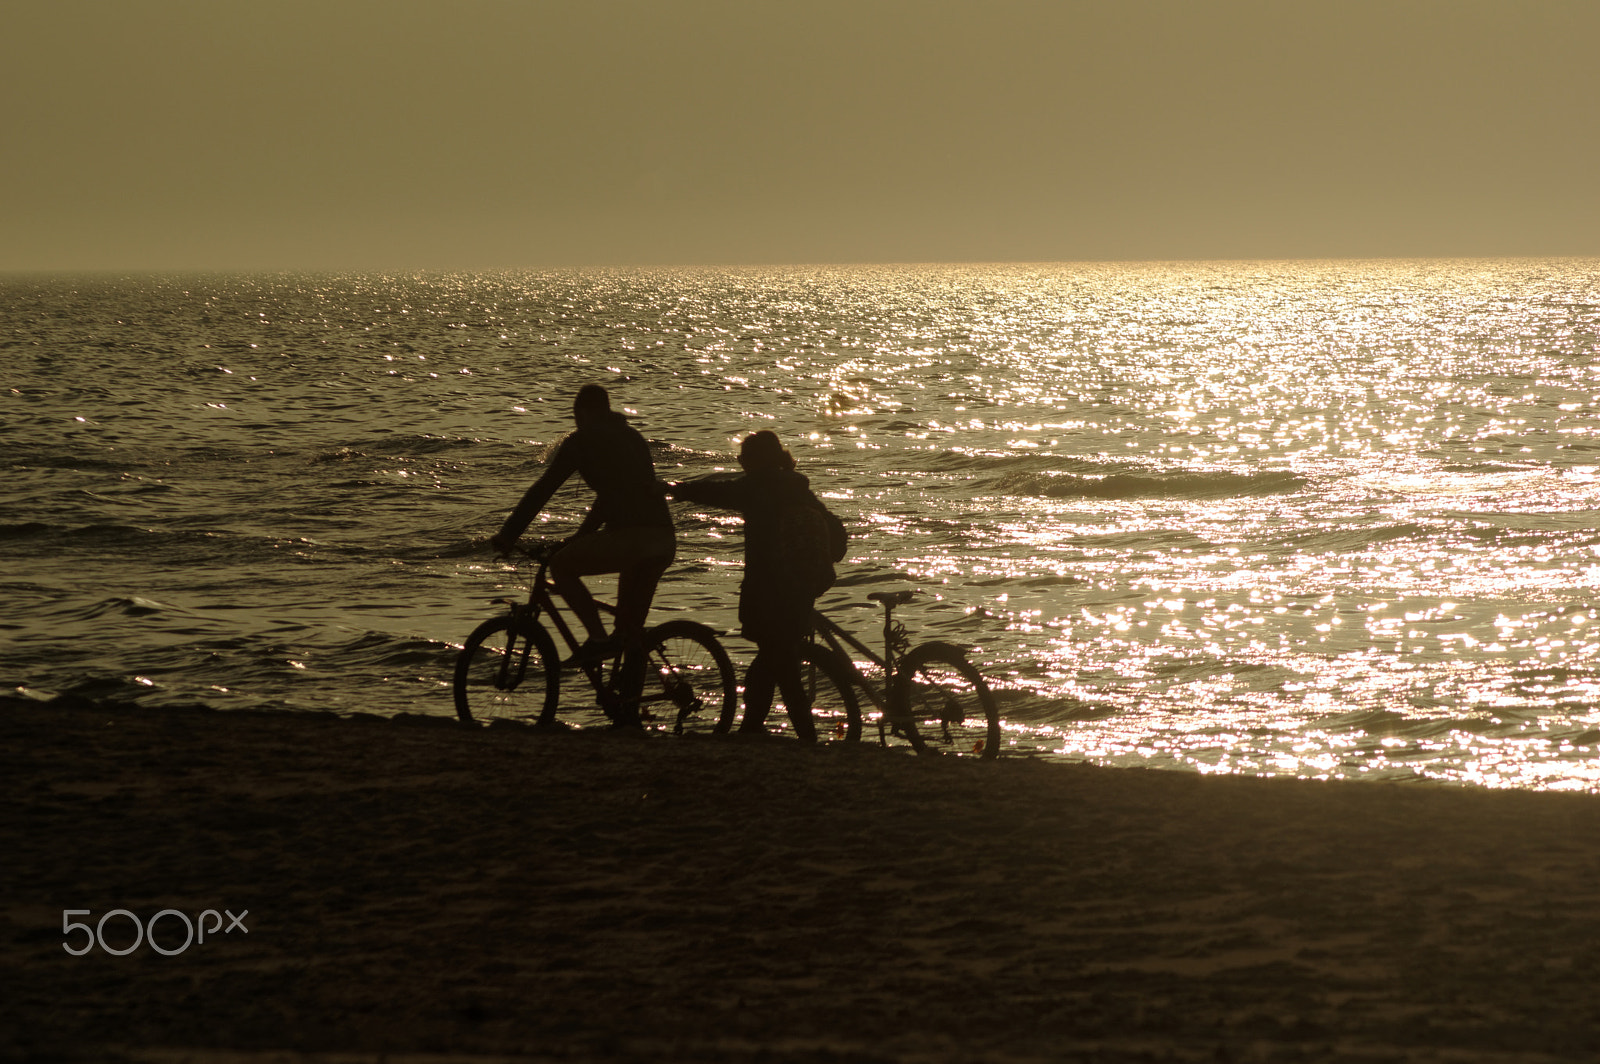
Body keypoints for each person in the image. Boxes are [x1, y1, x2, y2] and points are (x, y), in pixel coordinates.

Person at [490, 384, 675, 665]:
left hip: (632, 539)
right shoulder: (632, 436)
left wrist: (508, 534)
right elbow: (616, 494)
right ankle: (627, 705)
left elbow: (544, 489)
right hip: (662, 540)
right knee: (629, 636)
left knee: (561, 566)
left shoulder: (582, 440)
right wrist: (582, 534)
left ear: (584, 413)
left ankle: (597, 640)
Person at [667, 430, 831, 743]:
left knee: (779, 668)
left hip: (770, 591)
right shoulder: (798, 487)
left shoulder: (759, 486)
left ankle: (804, 739)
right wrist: (817, 570)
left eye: (744, 457)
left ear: (756, 460)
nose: (741, 463)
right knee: (771, 664)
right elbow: (833, 530)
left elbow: (718, 492)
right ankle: (752, 729)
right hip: (801, 589)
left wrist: (679, 489)